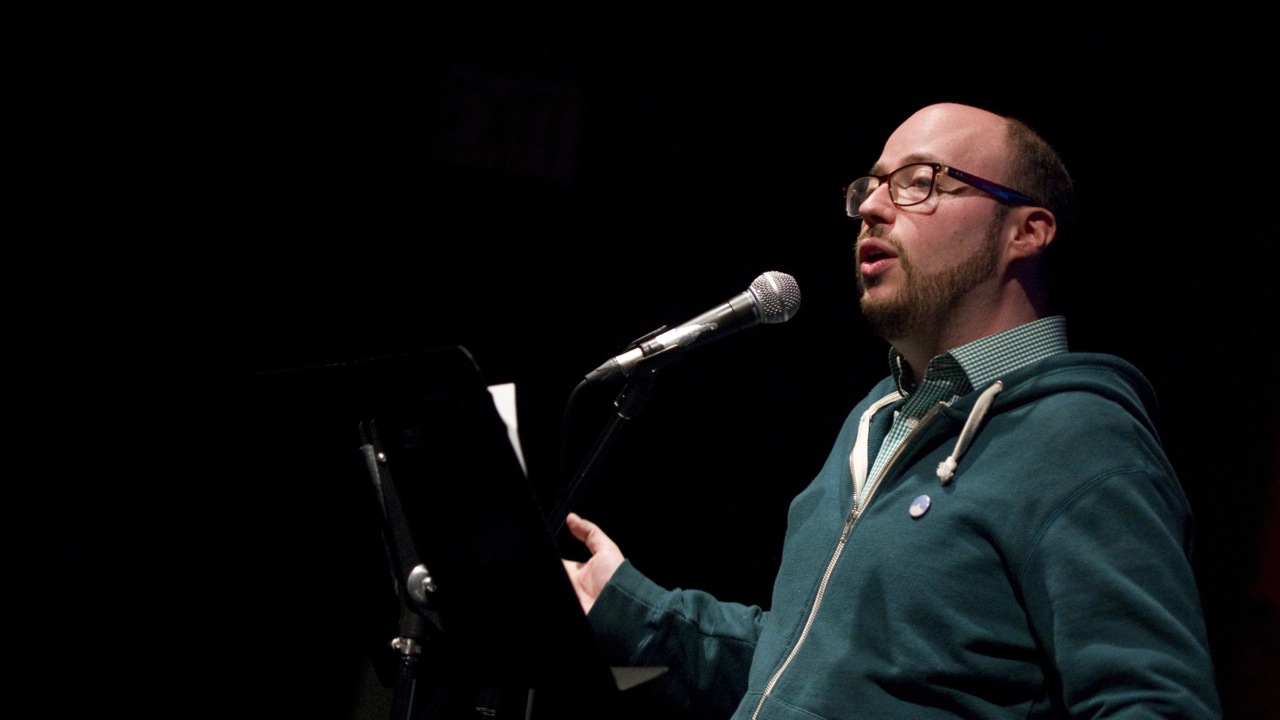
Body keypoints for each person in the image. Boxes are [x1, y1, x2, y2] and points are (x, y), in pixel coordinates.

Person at [560, 102, 1222, 718]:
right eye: (871, 186)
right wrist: (628, 607)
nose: (873, 207)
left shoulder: (1080, 440)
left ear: (1026, 231)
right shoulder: (877, 418)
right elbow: (807, 670)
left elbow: (1154, 703)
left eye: (920, 182)